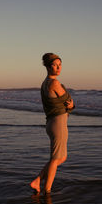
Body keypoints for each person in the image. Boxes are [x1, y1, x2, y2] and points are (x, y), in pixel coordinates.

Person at [30, 53, 75, 195]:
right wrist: (72, 106)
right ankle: (47, 191)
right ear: (48, 66)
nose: (58, 68)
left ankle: (38, 180)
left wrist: (69, 105)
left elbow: (64, 101)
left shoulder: (44, 83)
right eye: (55, 65)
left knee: (60, 158)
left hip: (51, 123)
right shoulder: (55, 83)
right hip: (58, 123)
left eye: (60, 65)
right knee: (56, 159)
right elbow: (69, 100)